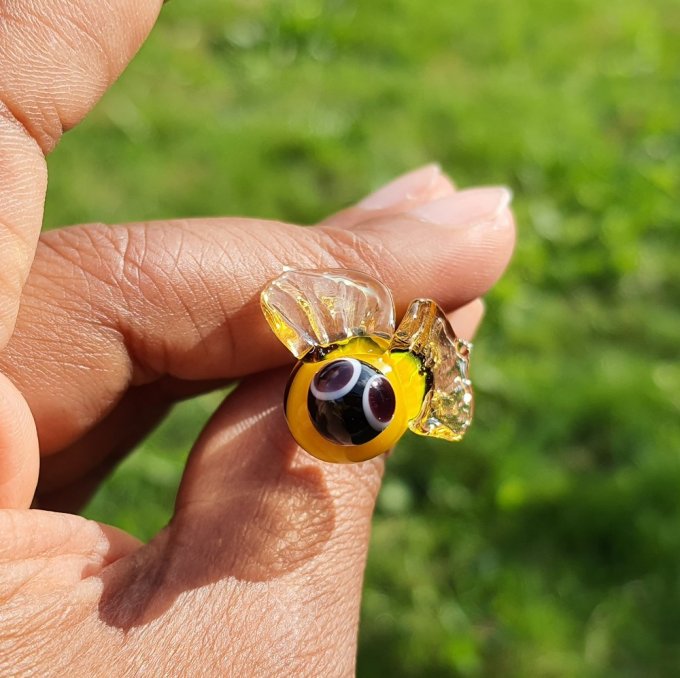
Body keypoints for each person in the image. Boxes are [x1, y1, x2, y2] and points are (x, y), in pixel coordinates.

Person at [0, 2, 515, 675]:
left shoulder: (372, 382)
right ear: (326, 360)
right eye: (335, 383)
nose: (337, 402)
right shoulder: (335, 362)